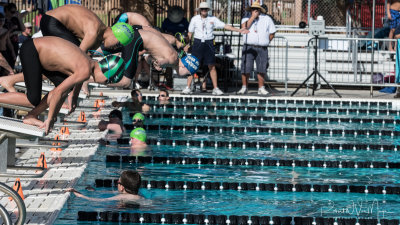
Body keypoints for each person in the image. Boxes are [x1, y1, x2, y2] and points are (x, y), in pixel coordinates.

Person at [0, 37, 125, 134]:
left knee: (64, 86)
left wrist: (57, 114)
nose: (102, 83)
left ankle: (31, 115)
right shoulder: (85, 71)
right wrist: (49, 119)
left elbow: (65, 90)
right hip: (32, 50)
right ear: (106, 71)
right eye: (106, 81)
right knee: (33, 99)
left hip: (39, 51)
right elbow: (57, 93)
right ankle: (30, 113)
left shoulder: (88, 64)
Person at [182, 2, 249, 95]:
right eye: (202, 9)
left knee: (212, 66)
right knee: (192, 65)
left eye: (205, 9)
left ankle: (215, 88)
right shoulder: (194, 19)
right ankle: (188, 87)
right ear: (200, 10)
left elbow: (225, 26)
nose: (204, 10)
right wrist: (187, 44)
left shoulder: (212, 19)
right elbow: (190, 33)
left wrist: (239, 30)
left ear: (208, 10)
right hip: (197, 43)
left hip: (209, 43)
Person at [42, 4, 134, 53]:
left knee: (78, 64)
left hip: (55, 23)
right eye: (118, 44)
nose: (115, 48)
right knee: (74, 57)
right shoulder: (94, 32)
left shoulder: (97, 40)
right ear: (116, 34)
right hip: (52, 21)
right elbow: (79, 61)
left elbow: (85, 67)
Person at [237, 1, 276, 95]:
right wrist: (252, 17)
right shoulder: (245, 19)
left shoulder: (267, 19)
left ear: (260, 10)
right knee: (246, 68)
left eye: (257, 9)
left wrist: (266, 41)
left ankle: (261, 88)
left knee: (262, 68)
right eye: (253, 9)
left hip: (262, 47)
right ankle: (244, 87)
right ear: (251, 10)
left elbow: (272, 33)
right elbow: (243, 28)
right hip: (248, 47)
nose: (255, 11)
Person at [67, 170, 143, 202]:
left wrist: (80, 195)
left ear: (122, 187)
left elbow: (99, 201)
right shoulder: (139, 195)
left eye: (118, 182)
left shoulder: (121, 197)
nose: (117, 184)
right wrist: (95, 191)